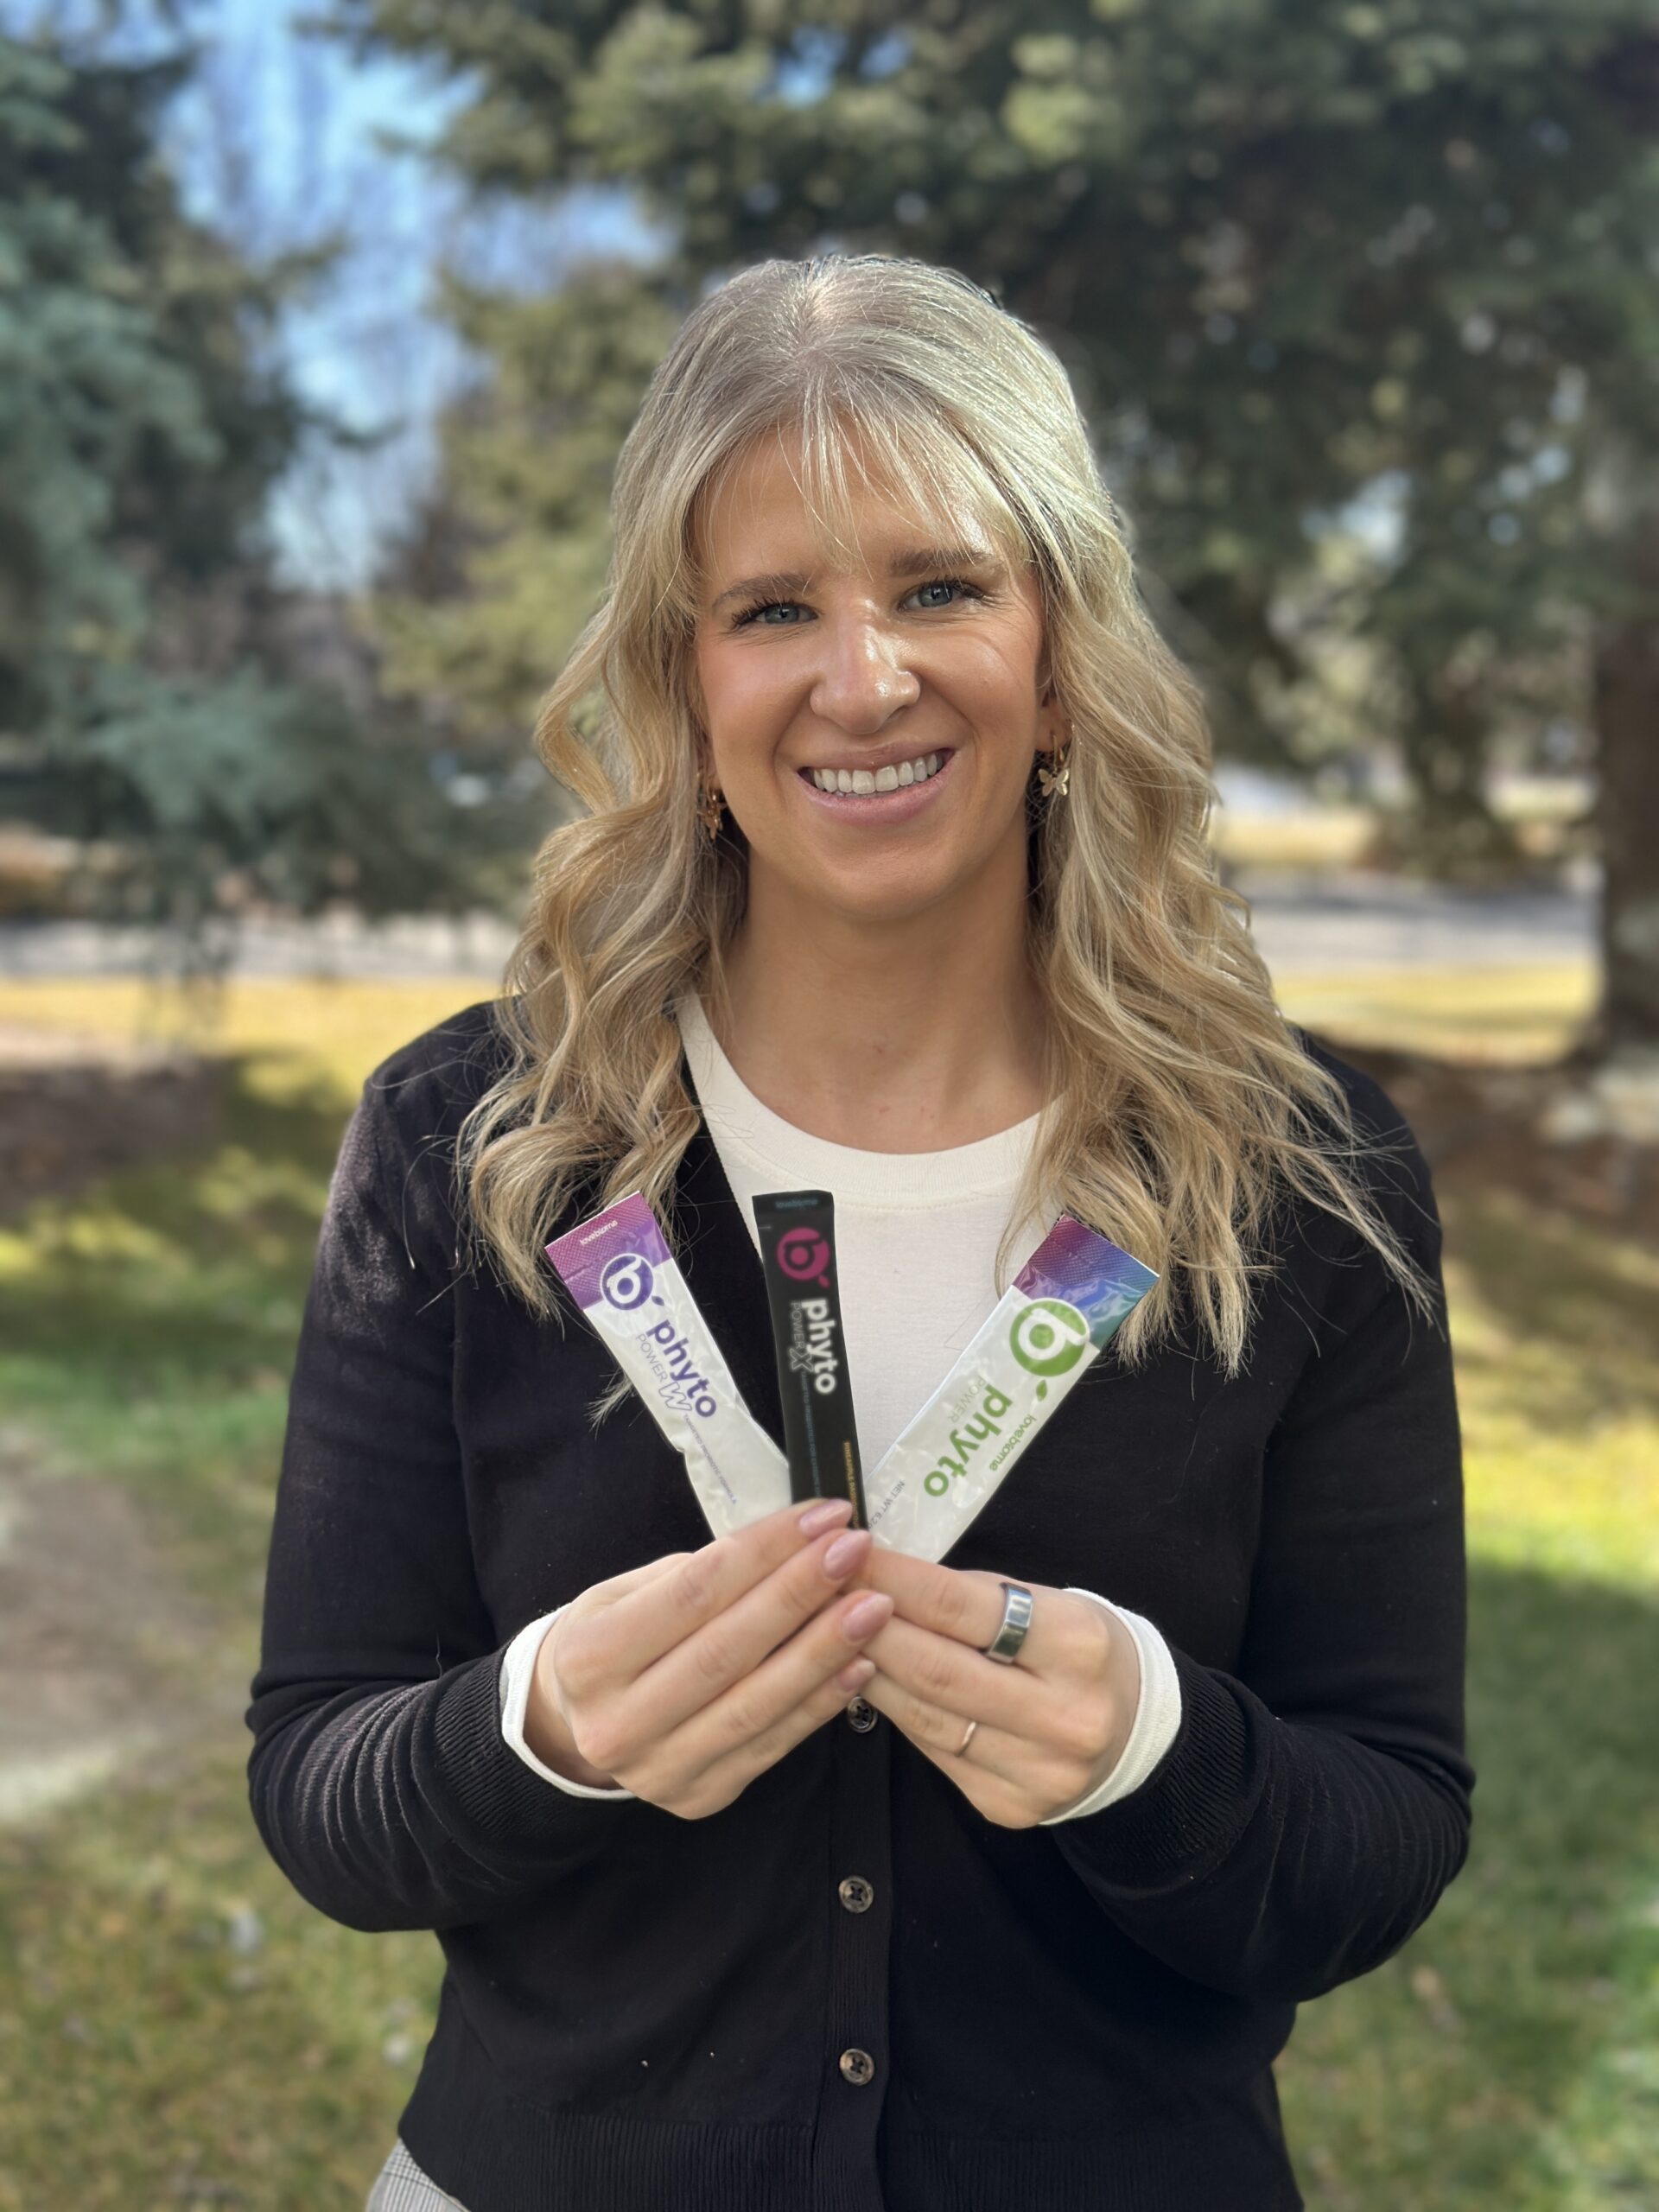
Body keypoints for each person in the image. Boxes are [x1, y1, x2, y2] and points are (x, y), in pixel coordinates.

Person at [247, 253, 1471, 2212]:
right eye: (773, 609)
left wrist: (1155, 1753)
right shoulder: (474, 1142)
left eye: (940, 587)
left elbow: (1387, 1828)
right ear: (685, 679)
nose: (864, 677)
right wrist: (537, 1727)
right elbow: (320, 1780)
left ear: (1059, 652)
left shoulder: (1300, 1173)